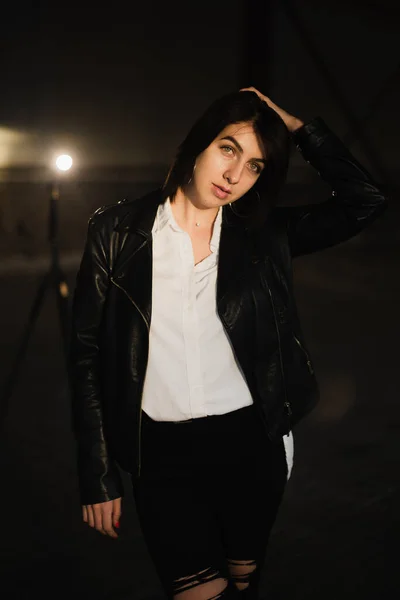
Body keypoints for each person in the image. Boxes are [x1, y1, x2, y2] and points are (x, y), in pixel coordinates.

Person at [69, 87, 388, 600]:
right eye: (228, 149)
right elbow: (85, 354)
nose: (235, 176)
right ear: (198, 143)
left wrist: (301, 129)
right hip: (162, 458)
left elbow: (366, 200)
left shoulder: (262, 236)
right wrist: (98, 472)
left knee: (243, 586)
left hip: (249, 448)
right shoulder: (118, 231)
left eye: (256, 166)